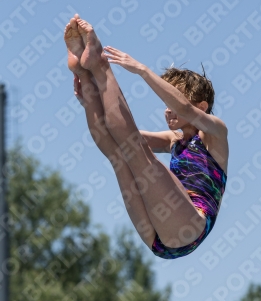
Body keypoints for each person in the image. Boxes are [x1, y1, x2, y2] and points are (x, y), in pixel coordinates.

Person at [64, 14, 228, 259]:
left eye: (173, 100)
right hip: (159, 238)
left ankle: (101, 65)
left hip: (190, 227)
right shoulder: (174, 140)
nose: (168, 109)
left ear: (202, 107)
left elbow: (183, 109)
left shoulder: (216, 133)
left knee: (134, 148)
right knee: (118, 152)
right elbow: (117, 132)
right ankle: (87, 73)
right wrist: (90, 101)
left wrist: (141, 70)